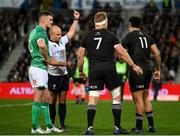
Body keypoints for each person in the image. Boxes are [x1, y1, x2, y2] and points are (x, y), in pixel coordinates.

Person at [77, 11, 143, 135]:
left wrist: (80, 71)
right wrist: (133, 65)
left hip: (94, 70)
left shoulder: (87, 36)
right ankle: (117, 128)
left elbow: (80, 56)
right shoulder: (111, 36)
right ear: (105, 21)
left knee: (92, 99)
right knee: (116, 97)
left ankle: (90, 128)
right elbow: (122, 53)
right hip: (109, 70)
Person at [121, 16, 161, 134]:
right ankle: (151, 126)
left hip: (137, 70)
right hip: (148, 69)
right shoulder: (148, 36)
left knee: (138, 100)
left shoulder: (128, 37)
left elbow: (123, 55)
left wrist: (126, 60)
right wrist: (158, 69)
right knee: (145, 98)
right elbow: (157, 53)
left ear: (130, 25)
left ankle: (138, 128)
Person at [28, 10, 62, 134]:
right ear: (43, 20)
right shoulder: (41, 31)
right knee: (38, 97)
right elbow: (41, 45)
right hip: (38, 68)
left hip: (38, 67)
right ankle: (34, 126)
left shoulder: (33, 31)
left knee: (46, 97)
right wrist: (47, 57)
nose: (52, 22)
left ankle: (49, 125)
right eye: (50, 20)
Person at [47, 9, 80, 131]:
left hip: (64, 76)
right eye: (58, 34)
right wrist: (65, 63)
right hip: (53, 76)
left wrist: (76, 19)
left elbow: (71, 31)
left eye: (61, 34)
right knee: (52, 100)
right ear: (51, 35)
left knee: (62, 100)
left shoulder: (61, 41)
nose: (61, 36)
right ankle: (50, 124)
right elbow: (51, 62)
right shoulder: (48, 45)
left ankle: (61, 124)